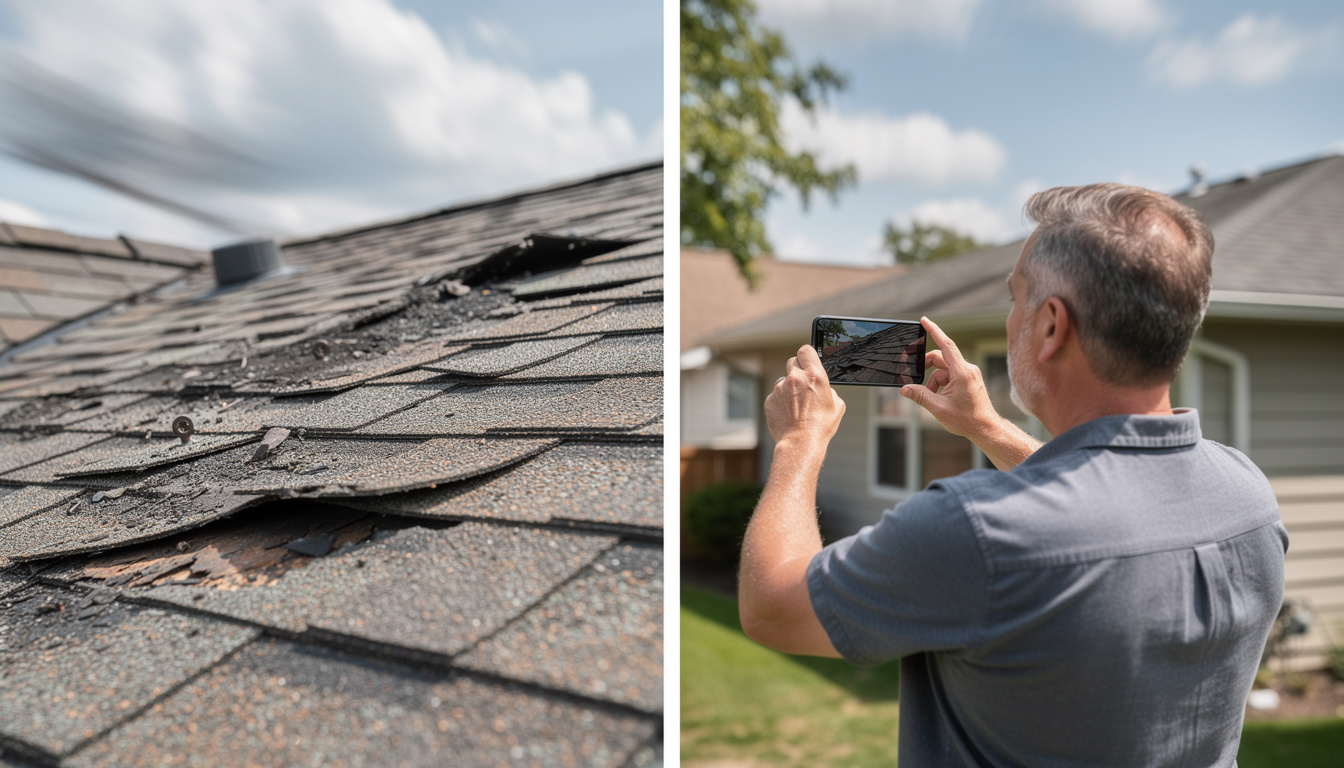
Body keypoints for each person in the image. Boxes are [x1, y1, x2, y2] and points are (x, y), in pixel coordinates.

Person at [738, 183, 1287, 766]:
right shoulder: (1248, 497)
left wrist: (801, 440)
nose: (1009, 322)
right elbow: (1101, 506)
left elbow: (772, 606)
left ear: (1051, 327)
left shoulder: (976, 531)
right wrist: (990, 429)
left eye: (1015, 299)